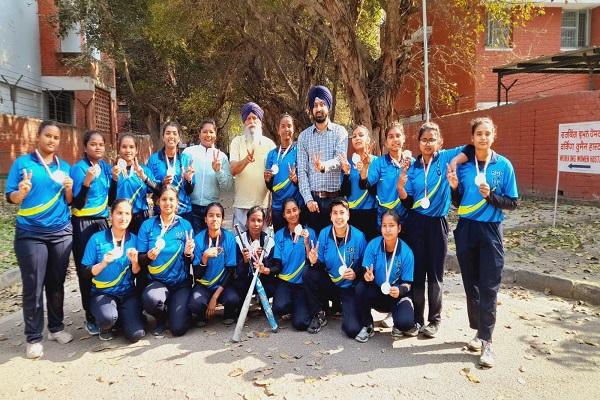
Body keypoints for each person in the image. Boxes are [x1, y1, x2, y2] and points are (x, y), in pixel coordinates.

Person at [450, 117, 518, 368]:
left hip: (491, 231)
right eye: (479, 133)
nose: (483, 137)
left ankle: (488, 343)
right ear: (472, 138)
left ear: (494, 136)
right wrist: (455, 188)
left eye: (487, 133)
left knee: (489, 287)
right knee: (472, 286)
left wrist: (491, 197)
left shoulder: (504, 165)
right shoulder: (465, 166)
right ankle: (479, 332)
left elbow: (512, 202)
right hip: (466, 228)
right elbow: (458, 202)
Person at [6, 121, 74, 359]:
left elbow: (69, 201)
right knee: (33, 285)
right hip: (31, 233)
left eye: (56, 138)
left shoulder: (64, 167)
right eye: (48, 136)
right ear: (39, 136)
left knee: (56, 284)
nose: (52, 141)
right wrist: (21, 193)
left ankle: (56, 328)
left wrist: (69, 188)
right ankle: (34, 337)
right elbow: (11, 197)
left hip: (61, 232)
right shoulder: (23, 164)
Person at [397, 122, 470, 338]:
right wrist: (401, 188)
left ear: (440, 142)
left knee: (436, 275)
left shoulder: (446, 158)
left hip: (437, 224)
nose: (428, 144)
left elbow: (470, 149)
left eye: (432, 140)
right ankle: (418, 319)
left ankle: (434, 320)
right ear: (418, 143)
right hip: (416, 223)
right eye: (424, 140)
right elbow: (408, 203)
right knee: (417, 274)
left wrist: (455, 162)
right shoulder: (413, 167)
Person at [82, 199, 146, 342]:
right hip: (102, 293)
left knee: (136, 335)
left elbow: (138, 273)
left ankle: (125, 318)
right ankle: (106, 325)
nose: (123, 218)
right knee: (108, 318)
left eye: (127, 214)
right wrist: (103, 263)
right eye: (119, 213)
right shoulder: (96, 239)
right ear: (111, 215)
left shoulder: (135, 240)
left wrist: (135, 262)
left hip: (127, 293)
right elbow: (85, 272)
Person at [303, 198, 366, 338]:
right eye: (335, 213)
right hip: (330, 285)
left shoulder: (359, 236)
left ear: (348, 215)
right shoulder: (325, 233)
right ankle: (318, 313)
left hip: (348, 288)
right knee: (308, 273)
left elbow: (365, 267)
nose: (339, 217)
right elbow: (320, 264)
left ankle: (345, 309)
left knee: (352, 329)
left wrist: (356, 274)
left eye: (342, 213)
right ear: (330, 216)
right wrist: (314, 260)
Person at [137, 185, 195, 337]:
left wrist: (189, 253)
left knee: (178, 329)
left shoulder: (185, 225)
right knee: (152, 300)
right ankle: (160, 319)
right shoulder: (147, 225)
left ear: (177, 203)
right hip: (157, 282)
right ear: (157, 202)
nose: (167, 203)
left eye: (171, 199)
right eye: (164, 199)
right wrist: (148, 256)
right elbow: (140, 260)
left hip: (180, 283)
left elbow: (190, 261)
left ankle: (177, 311)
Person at [70, 130, 112, 336]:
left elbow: (111, 199)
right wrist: (86, 181)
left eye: (101, 145)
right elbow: (75, 203)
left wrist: (114, 180)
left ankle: (104, 309)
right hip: (82, 223)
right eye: (93, 144)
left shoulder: (105, 167)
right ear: (85, 147)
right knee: (86, 269)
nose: (97, 148)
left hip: (102, 221)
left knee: (104, 265)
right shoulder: (78, 169)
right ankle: (90, 316)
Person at [354, 210, 415, 342]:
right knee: (360, 288)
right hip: (377, 293)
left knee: (405, 323)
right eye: (384, 225)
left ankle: (398, 323)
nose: (387, 229)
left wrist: (400, 290)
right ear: (380, 227)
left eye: (391, 225)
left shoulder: (407, 252)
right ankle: (367, 325)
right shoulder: (373, 245)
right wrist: (366, 275)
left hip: (396, 296)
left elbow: (408, 283)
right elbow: (365, 270)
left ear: (399, 228)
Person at [297, 85, 348, 234]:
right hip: (314, 202)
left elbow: (340, 160)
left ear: (328, 107)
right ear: (311, 109)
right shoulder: (304, 137)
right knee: (315, 244)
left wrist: (323, 166)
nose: (319, 108)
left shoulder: (340, 132)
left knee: (335, 241)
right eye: (315, 105)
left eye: (322, 104)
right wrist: (308, 199)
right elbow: (302, 171)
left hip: (335, 201)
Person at [188, 202, 239, 326]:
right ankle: (201, 314)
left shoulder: (229, 238)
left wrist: (215, 297)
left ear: (222, 219)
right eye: (211, 215)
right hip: (204, 284)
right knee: (195, 304)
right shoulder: (199, 239)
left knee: (233, 299)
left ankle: (228, 314)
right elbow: (197, 275)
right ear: (205, 219)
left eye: (218, 215)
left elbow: (231, 270)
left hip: (222, 285)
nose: (214, 219)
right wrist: (204, 257)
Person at [270, 198, 316, 331]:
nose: (292, 214)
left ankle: (301, 307)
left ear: (300, 211)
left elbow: (313, 261)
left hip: (302, 284)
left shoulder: (310, 233)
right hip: (285, 282)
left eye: (295, 210)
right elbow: (277, 263)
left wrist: (307, 242)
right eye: (288, 212)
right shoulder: (279, 235)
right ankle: (295, 306)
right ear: (284, 215)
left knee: (300, 324)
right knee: (279, 307)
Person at [182, 119, 233, 234]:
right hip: (191, 207)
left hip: (211, 209)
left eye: (211, 132)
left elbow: (228, 186)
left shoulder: (222, 157)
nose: (208, 135)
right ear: (199, 133)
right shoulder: (188, 153)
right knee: (193, 243)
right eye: (205, 132)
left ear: (216, 134)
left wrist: (218, 171)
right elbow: (181, 180)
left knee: (209, 242)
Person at [229, 102, 276, 229]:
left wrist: (271, 206)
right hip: (241, 205)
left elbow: (274, 179)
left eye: (255, 118)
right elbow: (233, 170)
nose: (251, 121)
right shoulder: (236, 142)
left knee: (262, 246)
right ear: (244, 122)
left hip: (263, 207)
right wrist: (246, 160)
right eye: (248, 118)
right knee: (241, 245)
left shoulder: (270, 145)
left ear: (260, 122)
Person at [359, 123, 412, 227]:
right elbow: (364, 185)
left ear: (404, 138)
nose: (395, 139)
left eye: (398, 135)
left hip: (406, 217)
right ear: (386, 142)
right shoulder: (379, 163)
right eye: (391, 137)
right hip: (385, 218)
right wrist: (365, 167)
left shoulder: (411, 162)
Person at [232, 207, 276, 322]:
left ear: (263, 223)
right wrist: (245, 261)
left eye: (259, 220)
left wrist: (263, 263)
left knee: (272, 287)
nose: (256, 224)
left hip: (263, 280)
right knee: (239, 285)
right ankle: (241, 308)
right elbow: (235, 271)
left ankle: (264, 305)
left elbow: (273, 269)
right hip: (244, 280)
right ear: (247, 222)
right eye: (252, 220)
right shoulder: (238, 240)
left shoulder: (269, 241)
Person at [110, 133, 159, 234]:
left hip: (140, 217)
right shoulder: (112, 171)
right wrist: (114, 179)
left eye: (131, 147)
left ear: (136, 150)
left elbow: (158, 191)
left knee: (140, 248)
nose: (128, 150)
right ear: (119, 149)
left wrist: (143, 176)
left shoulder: (144, 170)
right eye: (124, 147)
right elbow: (110, 202)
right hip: (120, 216)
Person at [147, 121, 195, 223]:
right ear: (163, 137)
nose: (171, 136)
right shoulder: (154, 159)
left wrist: (188, 180)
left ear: (179, 138)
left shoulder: (186, 159)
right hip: (161, 211)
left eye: (174, 133)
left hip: (183, 211)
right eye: (168, 133)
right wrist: (162, 184)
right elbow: (148, 189)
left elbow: (190, 190)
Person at [265, 113, 304, 232]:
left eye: (289, 126)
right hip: (278, 208)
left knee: (298, 240)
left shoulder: (299, 151)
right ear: (278, 130)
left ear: (294, 129)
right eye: (283, 126)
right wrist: (267, 180)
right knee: (281, 240)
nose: (286, 129)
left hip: (295, 207)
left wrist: (296, 180)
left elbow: (306, 178)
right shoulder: (271, 154)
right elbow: (270, 187)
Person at [340, 125, 378, 241]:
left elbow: (375, 191)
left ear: (368, 139)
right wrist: (346, 174)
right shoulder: (348, 163)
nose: (357, 138)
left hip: (371, 212)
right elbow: (345, 192)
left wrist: (364, 171)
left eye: (361, 135)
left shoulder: (376, 161)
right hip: (353, 213)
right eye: (354, 136)